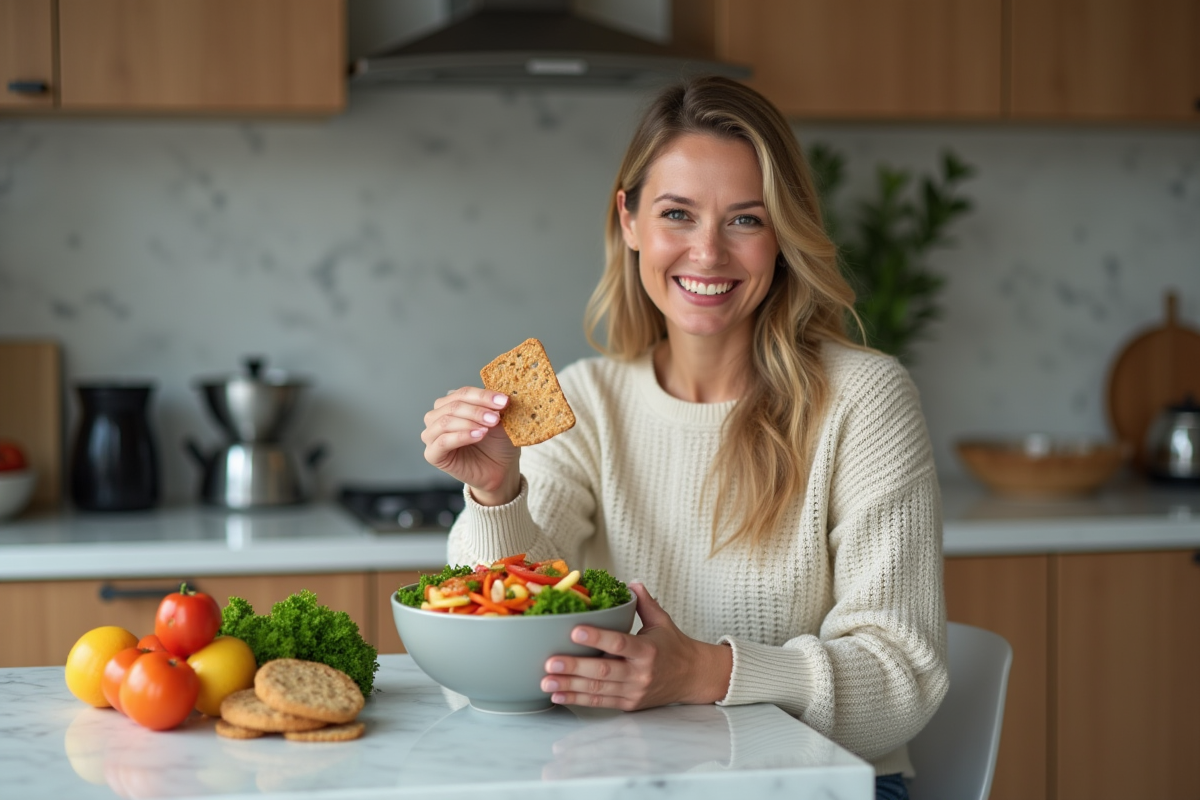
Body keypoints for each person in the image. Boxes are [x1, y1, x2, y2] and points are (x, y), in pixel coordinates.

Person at [421, 75, 947, 799]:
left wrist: (705, 671)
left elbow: (903, 677)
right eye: (677, 214)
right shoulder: (585, 400)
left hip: (816, 782)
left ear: (783, 235)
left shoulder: (864, 400)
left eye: (745, 220)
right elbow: (514, 633)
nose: (708, 253)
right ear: (629, 221)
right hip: (621, 776)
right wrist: (495, 493)